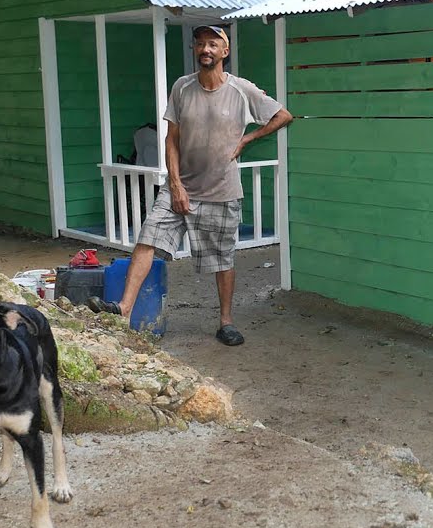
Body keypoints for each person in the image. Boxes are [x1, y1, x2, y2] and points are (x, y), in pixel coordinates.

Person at [89, 24, 293, 346]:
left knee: (223, 258)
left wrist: (248, 139)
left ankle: (226, 322)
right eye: (200, 44)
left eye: (212, 44)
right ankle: (123, 311)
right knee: (147, 239)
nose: (205, 49)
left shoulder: (242, 90)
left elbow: (283, 116)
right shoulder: (182, 87)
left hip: (221, 191)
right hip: (180, 186)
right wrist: (175, 184)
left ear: (225, 51)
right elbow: (171, 139)